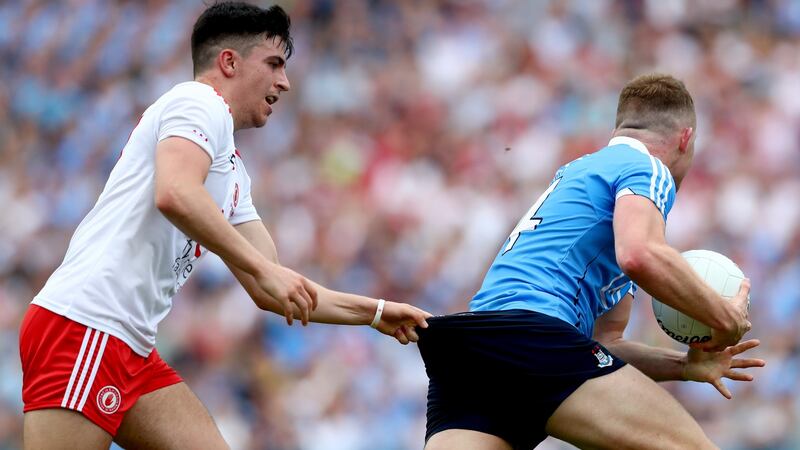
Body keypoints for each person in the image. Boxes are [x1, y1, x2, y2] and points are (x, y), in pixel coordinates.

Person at [18, 3, 431, 449]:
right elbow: (174, 193)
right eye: (273, 64)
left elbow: (273, 287)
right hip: (86, 326)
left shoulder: (232, 173)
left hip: (129, 343)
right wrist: (264, 269)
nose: (285, 82)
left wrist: (374, 312)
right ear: (229, 62)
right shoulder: (198, 101)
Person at [416, 74, 765, 450]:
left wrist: (682, 365)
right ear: (685, 138)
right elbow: (640, 255)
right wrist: (724, 318)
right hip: (531, 336)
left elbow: (603, 345)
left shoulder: (581, 175)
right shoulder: (647, 168)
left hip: (471, 353)